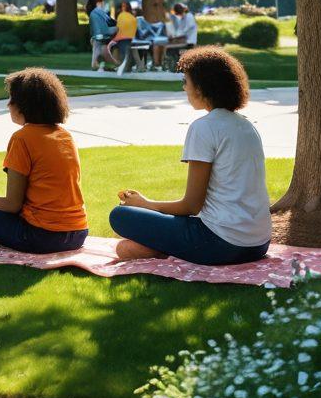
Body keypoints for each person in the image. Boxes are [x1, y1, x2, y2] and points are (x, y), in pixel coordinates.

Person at [109, 46, 271, 265]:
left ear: (202, 87)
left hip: (222, 243)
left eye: (186, 81)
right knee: (126, 248)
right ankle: (167, 248)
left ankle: (167, 249)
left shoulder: (204, 127)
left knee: (119, 216)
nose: (184, 87)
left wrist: (145, 204)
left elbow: (191, 206)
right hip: (258, 244)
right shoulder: (246, 126)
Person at [0, 68, 89, 253]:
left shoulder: (22, 138)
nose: (8, 105)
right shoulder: (65, 136)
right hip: (79, 233)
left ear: (24, 105)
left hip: (43, 237)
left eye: (12, 99)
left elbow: (13, 205)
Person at [86, 0, 116, 71]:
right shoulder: (98, 11)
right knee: (99, 50)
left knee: (97, 51)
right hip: (101, 35)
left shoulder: (92, 11)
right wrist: (118, 23)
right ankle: (114, 64)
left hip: (96, 36)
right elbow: (110, 21)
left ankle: (97, 64)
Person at [106, 0, 138, 73]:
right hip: (131, 38)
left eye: (124, 6)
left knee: (115, 48)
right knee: (116, 48)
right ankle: (119, 66)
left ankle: (121, 66)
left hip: (124, 37)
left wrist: (114, 38)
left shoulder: (122, 15)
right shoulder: (132, 16)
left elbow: (119, 29)